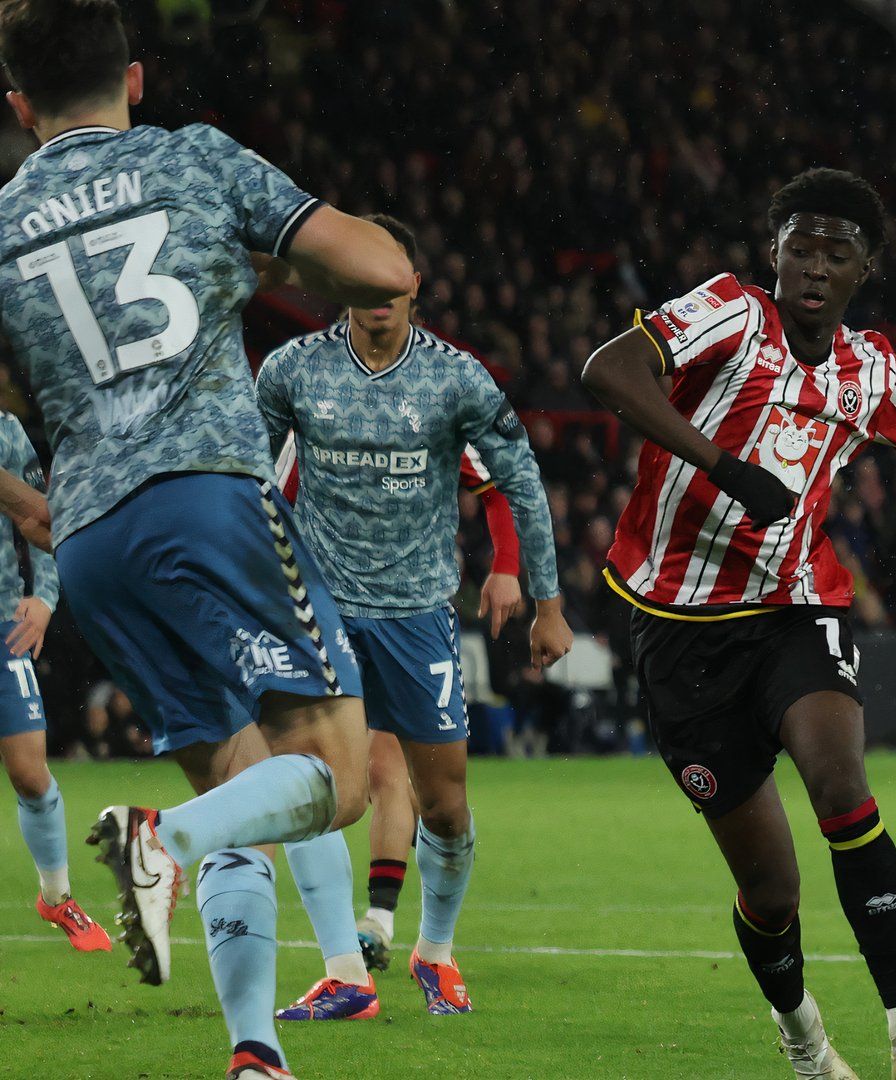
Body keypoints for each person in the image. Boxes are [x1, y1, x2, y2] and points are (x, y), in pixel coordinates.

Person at [0, 3, 412, 1077]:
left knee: (240, 781)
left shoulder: (3, 220)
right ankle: (158, 845)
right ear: (133, 81)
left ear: (18, 105)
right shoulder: (192, 161)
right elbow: (379, 273)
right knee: (339, 773)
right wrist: (270, 264)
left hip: (92, 540)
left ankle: (256, 1052)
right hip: (209, 497)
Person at [581, 167, 896, 1080]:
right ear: (774, 254)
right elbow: (610, 369)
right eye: (802, 249)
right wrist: (724, 465)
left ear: (865, 268)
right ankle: (804, 1040)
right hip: (679, 628)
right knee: (771, 887)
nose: (816, 267)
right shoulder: (729, 313)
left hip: (796, 606)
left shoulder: (870, 370)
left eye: (838, 254)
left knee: (842, 784)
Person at [256, 214, 571, 1020]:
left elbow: (519, 480)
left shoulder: (456, 379)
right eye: (361, 281)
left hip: (417, 614)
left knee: (446, 803)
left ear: (415, 288)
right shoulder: (292, 369)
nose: (378, 297)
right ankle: (344, 972)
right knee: (321, 789)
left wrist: (547, 599)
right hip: (319, 607)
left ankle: (435, 950)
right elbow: (252, 482)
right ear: (339, 286)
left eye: (392, 281)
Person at [278, 436, 527, 973]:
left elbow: (498, 482)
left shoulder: (432, 392)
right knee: (321, 774)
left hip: (412, 617)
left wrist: (507, 563)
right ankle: (356, 947)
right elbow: (275, 504)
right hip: (330, 614)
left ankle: (384, 925)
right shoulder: (311, 398)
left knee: (402, 778)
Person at [0, 410, 109, 952]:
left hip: (3, 624)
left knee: (30, 773)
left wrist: (44, 598)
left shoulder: (7, 430)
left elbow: (46, 520)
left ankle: (57, 896)